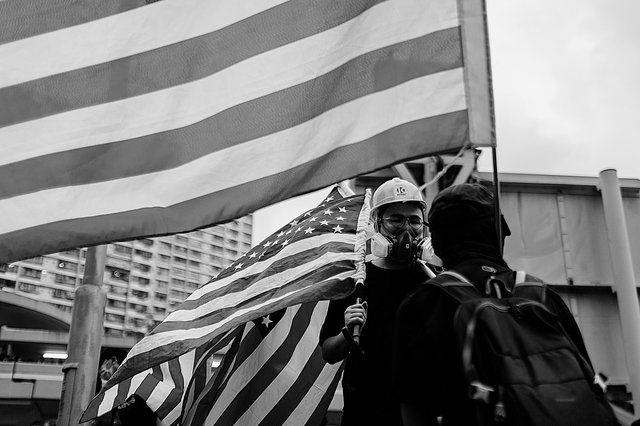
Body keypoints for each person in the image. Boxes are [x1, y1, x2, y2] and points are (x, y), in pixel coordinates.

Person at [392, 183, 599, 426]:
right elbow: (589, 381)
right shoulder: (541, 295)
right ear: (499, 232)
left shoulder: (423, 303)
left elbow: (414, 407)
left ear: (436, 241)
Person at [319, 177, 432, 425]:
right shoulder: (357, 279)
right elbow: (329, 352)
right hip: (364, 413)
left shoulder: (435, 280)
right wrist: (347, 332)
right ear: (376, 224)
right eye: (396, 219)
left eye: (414, 220)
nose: (407, 228)